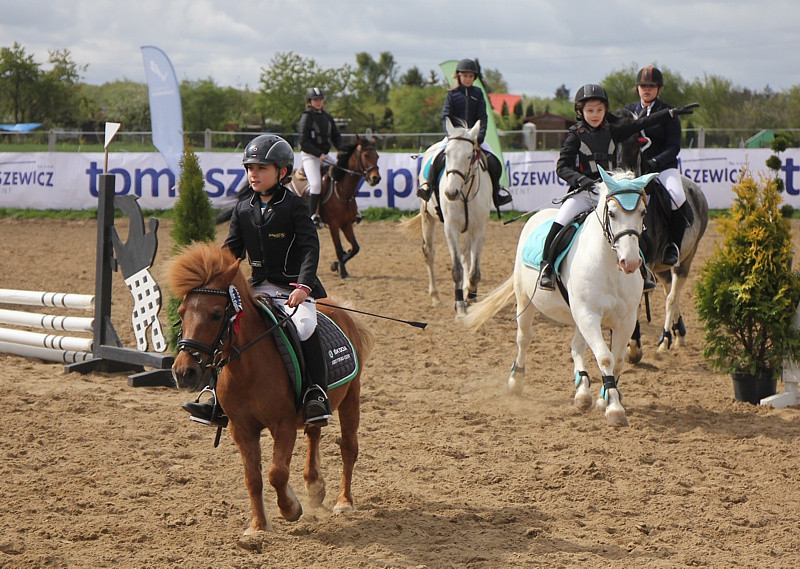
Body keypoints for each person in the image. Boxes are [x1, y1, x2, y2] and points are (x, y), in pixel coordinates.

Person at [182, 134, 332, 427]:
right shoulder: (243, 208)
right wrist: (211, 282)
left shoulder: (295, 206)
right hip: (257, 288)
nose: (254, 174)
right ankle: (216, 395)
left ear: (283, 172)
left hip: (294, 288)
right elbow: (231, 251)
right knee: (226, 329)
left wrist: (303, 287)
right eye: (250, 168)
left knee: (305, 326)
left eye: (262, 168)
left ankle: (316, 392)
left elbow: (309, 249)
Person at [539, 83, 697, 291]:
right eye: (590, 111)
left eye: (599, 110)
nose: (595, 115)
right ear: (580, 112)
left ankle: (644, 271)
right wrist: (582, 180)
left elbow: (643, 121)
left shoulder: (615, 131)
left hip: (612, 193)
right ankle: (548, 268)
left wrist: (669, 113)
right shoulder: (574, 136)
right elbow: (562, 167)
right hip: (585, 192)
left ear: (605, 110)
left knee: (638, 226)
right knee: (561, 222)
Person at [417, 58, 513, 210]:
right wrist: (451, 134)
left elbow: (483, 116)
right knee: (436, 158)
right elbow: (445, 116)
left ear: (474, 77)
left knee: (494, 160)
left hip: (473, 137)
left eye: (470, 76)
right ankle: (429, 187)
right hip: (454, 136)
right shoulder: (452, 94)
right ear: (458, 76)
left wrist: (480, 136)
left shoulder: (478, 93)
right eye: (464, 76)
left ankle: (497, 193)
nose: (467, 79)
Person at [625, 65, 694, 266]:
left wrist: (656, 162)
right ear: (637, 88)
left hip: (663, 167)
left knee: (677, 196)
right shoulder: (629, 112)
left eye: (652, 86)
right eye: (643, 85)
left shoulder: (668, 112)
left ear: (659, 88)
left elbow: (674, 147)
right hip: (635, 169)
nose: (647, 89)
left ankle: (673, 245)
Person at [297, 87, 342, 229]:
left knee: (341, 172)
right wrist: (318, 154)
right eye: (315, 99)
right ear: (309, 102)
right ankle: (312, 216)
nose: (318, 102)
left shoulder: (327, 117)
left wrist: (342, 150)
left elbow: (336, 137)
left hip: (324, 155)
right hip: (310, 156)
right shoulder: (306, 116)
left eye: (320, 99)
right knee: (316, 184)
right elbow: (303, 141)